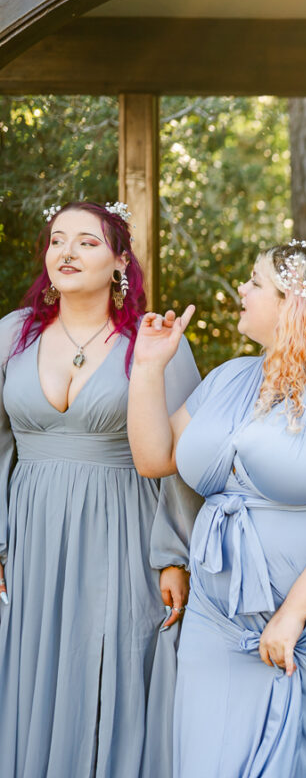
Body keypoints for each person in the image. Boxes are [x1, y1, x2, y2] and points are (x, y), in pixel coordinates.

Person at [127, 243, 306, 777]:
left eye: (255, 281)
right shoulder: (229, 378)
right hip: (216, 615)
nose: (241, 290)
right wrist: (149, 368)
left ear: (292, 302)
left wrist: (291, 615)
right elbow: (154, 458)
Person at [0, 201, 201, 778]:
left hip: (123, 532)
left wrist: (174, 556)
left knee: (109, 664)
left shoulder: (152, 339)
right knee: (33, 668)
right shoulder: (12, 335)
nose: (66, 252)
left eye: (87, 242)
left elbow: (181, 458)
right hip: (31, 534)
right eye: (57, 240)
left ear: (119, 261)